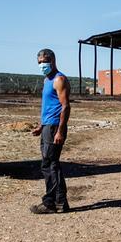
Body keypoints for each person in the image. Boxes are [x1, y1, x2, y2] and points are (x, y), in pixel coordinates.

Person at [30, 48, 71, 214]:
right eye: (39, 62)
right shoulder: (47, 80)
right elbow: (48, 107)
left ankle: (51, 203)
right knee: (50, 164)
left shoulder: (59, 79)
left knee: (49, 164)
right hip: (48, 126)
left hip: (55, 126)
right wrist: (41, 126)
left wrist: (60, 131)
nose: (42, 65)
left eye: (45, 62)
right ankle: (60, 202)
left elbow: (65, 106)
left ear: (53, 61)